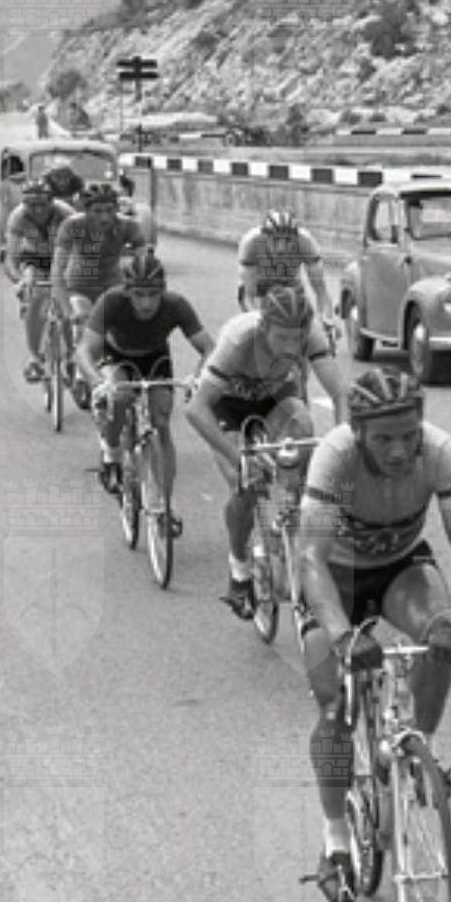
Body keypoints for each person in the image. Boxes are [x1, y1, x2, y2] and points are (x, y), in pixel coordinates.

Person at [293, 369, 451, 902]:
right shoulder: (335, 459)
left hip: (401, 567)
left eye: (409, 435)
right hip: (336, 576)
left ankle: (417, 748)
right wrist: (340, 634)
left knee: (439, 634)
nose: (400, 450)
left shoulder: (439, 452)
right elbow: (311, 558)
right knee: (333, 706)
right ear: (357, 433)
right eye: (383, 439)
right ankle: (335, 840)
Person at [182, 284, 347, 617]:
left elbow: (340, 394)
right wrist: (237, 458)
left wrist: (342, 443)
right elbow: (196, 409)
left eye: (296, 339)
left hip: (275, 400)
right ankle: (239, 568)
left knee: (302, 424)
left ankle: (293, 510)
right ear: (263, 327)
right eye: (281, 338)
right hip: (226, 406)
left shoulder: (311, 333)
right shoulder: (239, 339)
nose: (290, 347)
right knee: (245, 484)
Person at [78, 249, 214, 514]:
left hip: (154, 358)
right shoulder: (111, 302)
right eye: (139, 294)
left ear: (163, 291)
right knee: (120, 396)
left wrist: (197, 377)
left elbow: (209, 348)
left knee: (161, 420)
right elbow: (84, 350)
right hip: (116, 356)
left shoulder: (176, 305)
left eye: (153, 294)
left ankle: (166, 507)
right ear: (127, 291)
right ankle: (111, 451)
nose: (146, 303)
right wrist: (96, 383)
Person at [48, 179, 152, 401]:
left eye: (109, 210)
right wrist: (67, 310)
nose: (104, 217)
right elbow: (57, 270)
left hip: (111, 285)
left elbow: (146, 265)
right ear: (85, 210)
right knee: (83, 317)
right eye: (97, 211)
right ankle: (81, 375)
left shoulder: (128, 226)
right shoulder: (71, 226)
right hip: (78, 285)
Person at [1, 177, 74, 382]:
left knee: (70, 303)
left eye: (42, 204)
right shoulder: (18, 217)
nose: (38, 210)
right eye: (32, 205)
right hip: (34, 259)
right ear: (24, 204)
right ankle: (35, 357)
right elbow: (12, 257)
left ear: (52, 201)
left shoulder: (66, 214)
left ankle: (71, 353)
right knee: (35, 296)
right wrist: (19, 280)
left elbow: (81, 249)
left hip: (64, 257)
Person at [236, 208, 334, 331]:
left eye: (287, 240)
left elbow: (320, 290)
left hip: (290, 284)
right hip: (260, 285)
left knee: (301, 322)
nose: (281, 248)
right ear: (265, 237)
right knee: (256, 326)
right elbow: (248, 294)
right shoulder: (250, 243)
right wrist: (256, 322)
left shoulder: (305, 242)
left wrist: (326, 319)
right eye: (276, 240)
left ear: (295, 238)